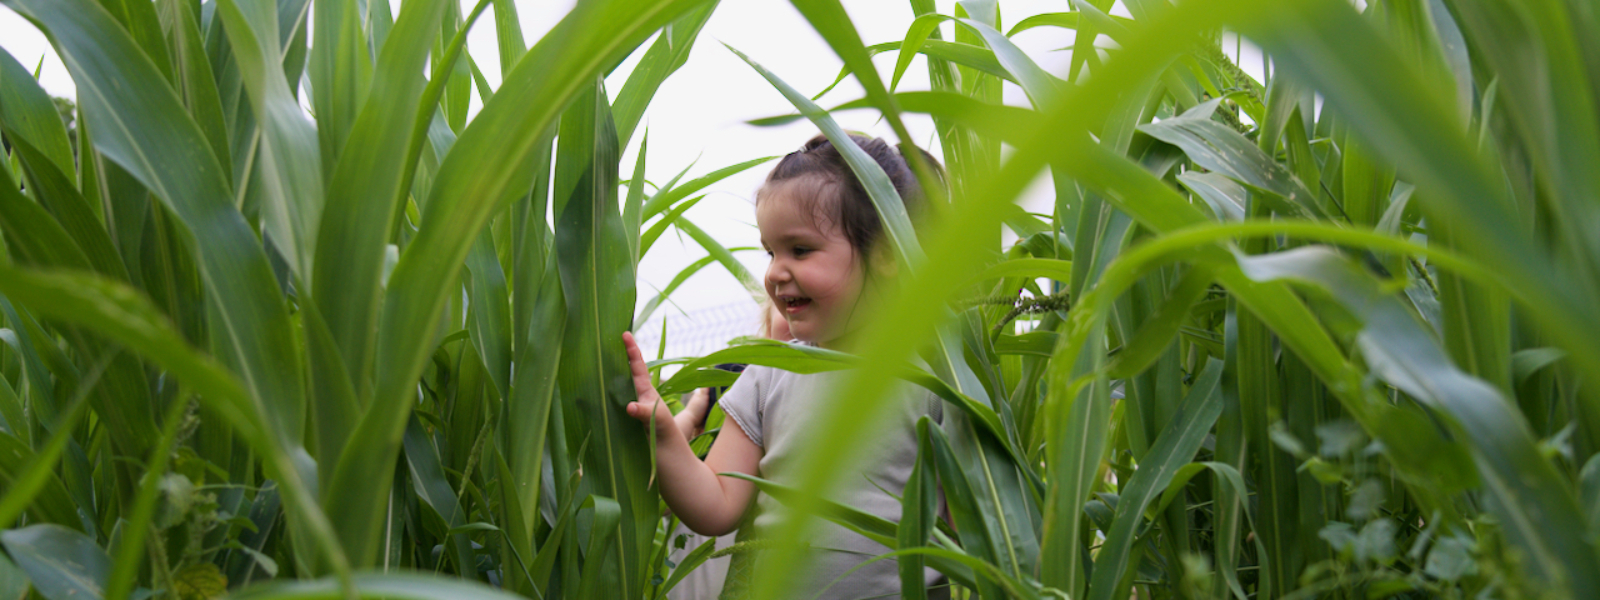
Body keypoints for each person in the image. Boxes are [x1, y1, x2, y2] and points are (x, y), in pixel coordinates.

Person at [623, 134, 947, 599]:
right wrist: (666, 437)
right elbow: (715, 504)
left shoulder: (933, 380)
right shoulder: (768, 374)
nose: (774, 271)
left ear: (888, 254)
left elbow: (972, 522)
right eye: (770, 252)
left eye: (799, 250)